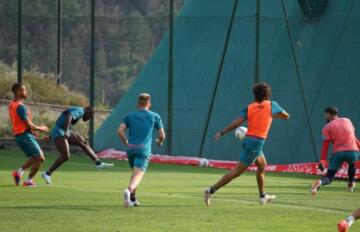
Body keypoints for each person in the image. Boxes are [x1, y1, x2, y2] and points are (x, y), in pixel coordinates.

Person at [204, 82, 289, 206]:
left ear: (255, 95)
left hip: (249, 141)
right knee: (236, 172)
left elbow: (236, 123)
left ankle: (262, 196)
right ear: (268, 94)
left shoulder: (249, 107)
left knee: (262, 166)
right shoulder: (272, 105)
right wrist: (273, 115)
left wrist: (222, 132)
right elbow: (286, 116)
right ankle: (210, 190)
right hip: (256, 143)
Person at [42, 106, 113, 184]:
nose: (89, 119)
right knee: (65, 156)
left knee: (84, 142)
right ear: (88, 112)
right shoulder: (80, 111)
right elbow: (69, 116)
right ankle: (47, 173)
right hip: (60, 131)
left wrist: (50, 136)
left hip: (64, 130)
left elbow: (61, 119)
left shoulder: (78, 110)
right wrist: (65, 131)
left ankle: (98, 163)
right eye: (90, 117)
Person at [118, 93, 165, 208]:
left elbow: (119, 131)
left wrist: (126, 142)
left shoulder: (129, 116)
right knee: (139, 174)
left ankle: (133, 199)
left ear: (138, 104)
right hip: (143, 150)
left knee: (135, 173)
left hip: (130, 150)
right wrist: (159, 142)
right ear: (149, 103)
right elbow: (162, 135)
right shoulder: (154, 116)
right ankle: (128, 191)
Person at [310, 106, 360, 195]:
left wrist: (322, 160)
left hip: (338, 153)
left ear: (329, 114)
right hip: (353, 151)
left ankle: (320, 182)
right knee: (352, 164)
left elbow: (325, 147)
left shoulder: (326, 127)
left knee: (329, 178)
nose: (325, 116)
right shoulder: (347, 120)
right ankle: (351, 183)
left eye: (325, 114)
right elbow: (354, 138)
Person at [9, 83, 49, 186]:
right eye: (23, 90)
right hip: (23, 135)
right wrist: (41, 128)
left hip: (22, 135)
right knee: (40, 157)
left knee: (36, 157)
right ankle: (27, 180)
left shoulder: (12, 104)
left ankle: (19, 174)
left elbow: (22, 123)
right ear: (18, 92)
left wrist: (32, 132)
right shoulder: (20, 107)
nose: (25, 92)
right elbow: (28, 124)